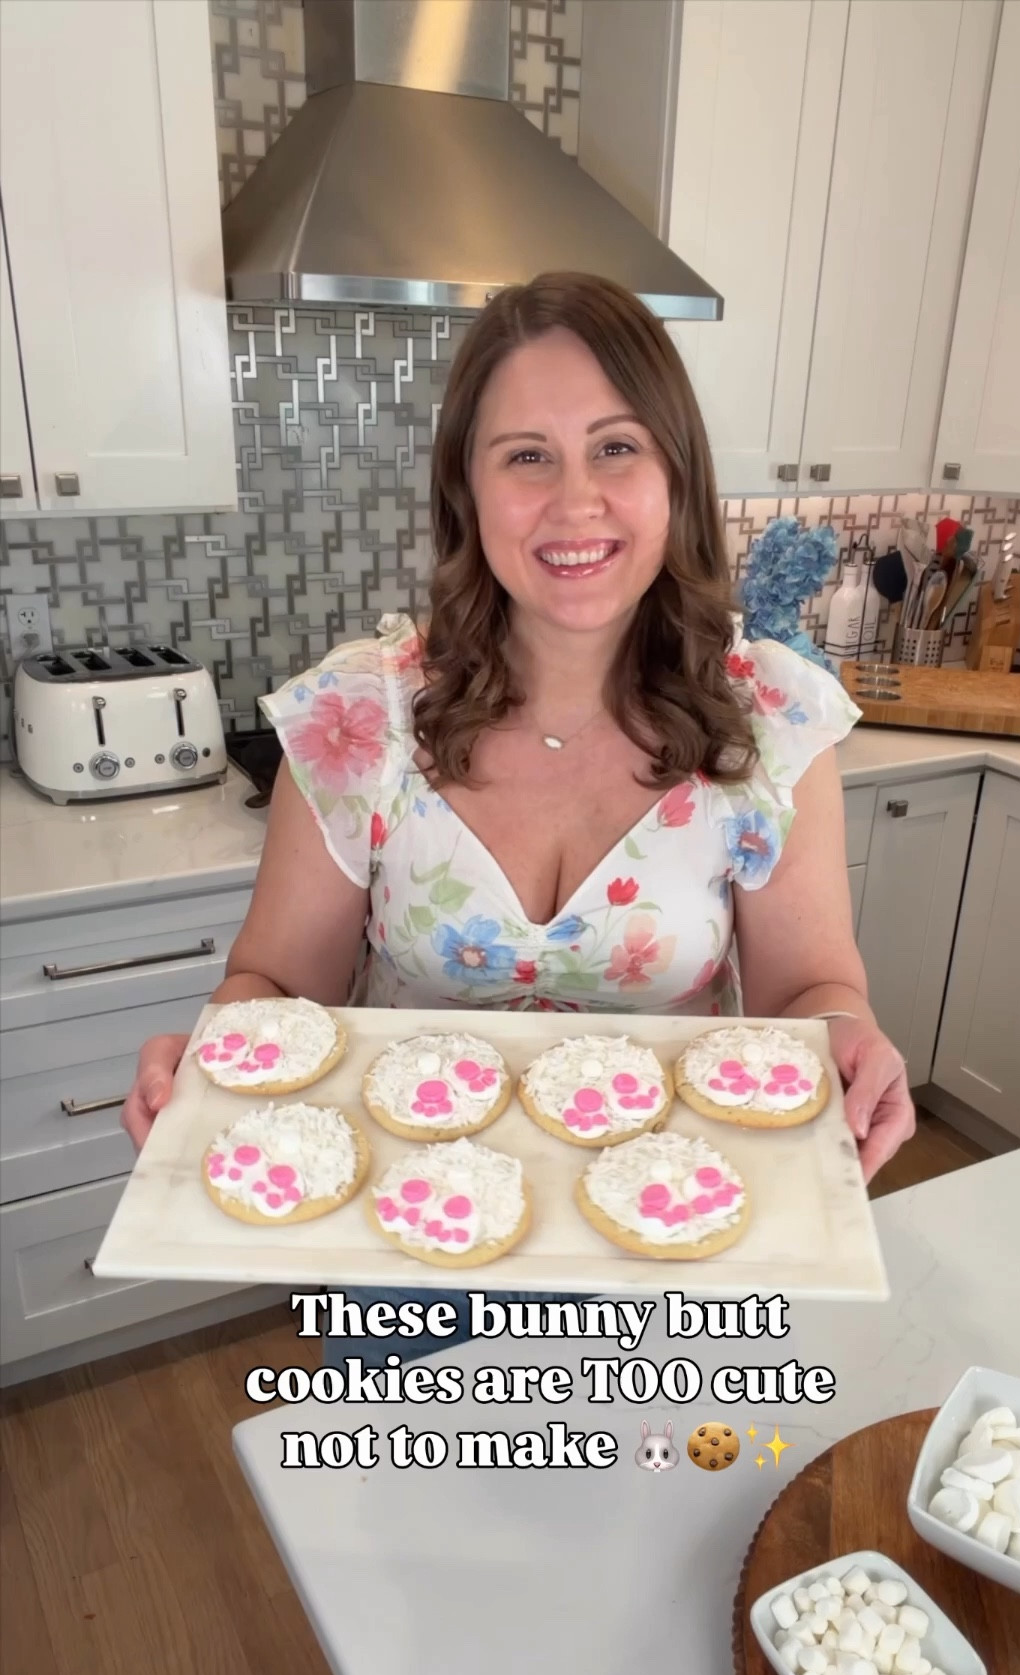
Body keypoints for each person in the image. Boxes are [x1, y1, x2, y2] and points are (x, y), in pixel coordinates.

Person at [123, 271, 915, 1366]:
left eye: (617, 447)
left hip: (675, 1244)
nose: (576, 501)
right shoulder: (360, 719)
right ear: (467, 489)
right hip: (410, 1253)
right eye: (527, 456)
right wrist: (214, 1059)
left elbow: (806, 996)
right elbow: (275, 986)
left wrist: (850, 1036)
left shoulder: (770, 722)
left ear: (677, 476)